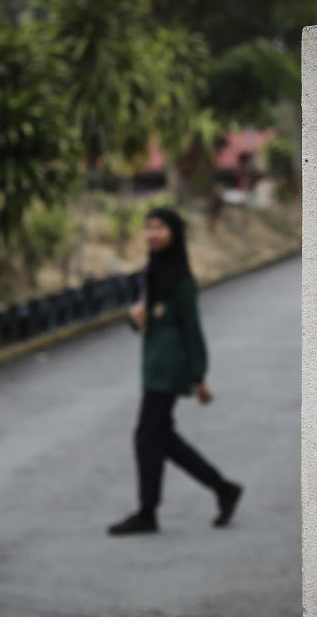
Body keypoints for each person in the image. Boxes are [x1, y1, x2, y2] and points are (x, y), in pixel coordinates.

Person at [108, 208, 242, 536]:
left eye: (160, 227)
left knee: (146, 438)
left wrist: (198, 376)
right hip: (152, 364)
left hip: (170, 367)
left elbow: (192, 329)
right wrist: (133, 318)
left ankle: (147, 512)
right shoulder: (152, 271)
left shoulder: (181, 279)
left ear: (174, 233)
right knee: (159, 437)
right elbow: (145, 316)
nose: (152, 233)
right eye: (148, 227)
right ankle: (223, 488)